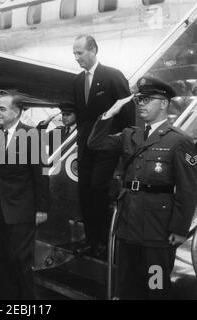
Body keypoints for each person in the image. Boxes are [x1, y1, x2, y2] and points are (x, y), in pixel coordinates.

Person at [88, 76, 197, 299]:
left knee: (155, 286)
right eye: (139, 100)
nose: (141, 104)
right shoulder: (131, 135)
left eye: (147, 100)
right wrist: (111, 112)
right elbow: (95, 144)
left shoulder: (178, 141)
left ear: (164, 103)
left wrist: (179, 228)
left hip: (157, 229)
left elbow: (188, 188)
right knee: (127, 286)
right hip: (128, 224)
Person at [72, 34, 135, 257]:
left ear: (93, 50)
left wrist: (123, 142)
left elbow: (128, 112)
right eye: (74, 53)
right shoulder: (78, 81)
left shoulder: (112, 76)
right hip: (86, 146)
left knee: (99, 190)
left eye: (80, 53)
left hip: (107, 146)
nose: (76, 57)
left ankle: (103, 243)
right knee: (85, 192)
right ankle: (91, 241)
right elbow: (81, 116)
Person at [0, 94, 49, 299]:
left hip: (22, 208)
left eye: (2, 109)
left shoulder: (31, 134)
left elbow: (41, 174)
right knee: (1, 259)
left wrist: (42, 208)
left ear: (16, 112)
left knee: (20, 260)